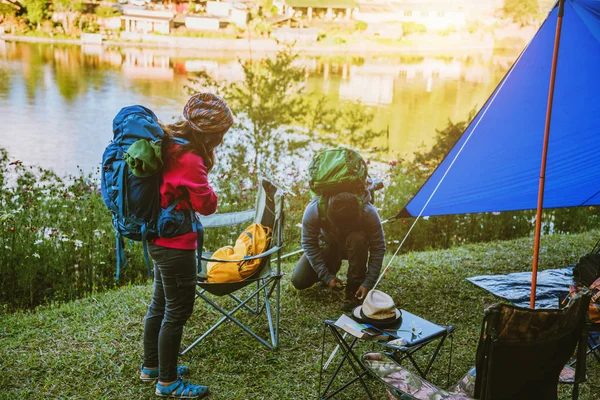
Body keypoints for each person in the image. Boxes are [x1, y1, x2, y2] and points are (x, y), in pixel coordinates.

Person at [139, 93, 233, 399]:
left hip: (156, 237)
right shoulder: (190, 159)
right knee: (177, 312)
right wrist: (209, 194)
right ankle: (167, 383)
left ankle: (151, 366)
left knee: (160, 305)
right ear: (211, 132)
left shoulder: (169, 143)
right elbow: (207, 204)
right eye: (221, 133)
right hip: (176, 245)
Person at [291, 190, 386, 312]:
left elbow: (378, 248)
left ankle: (354, 290)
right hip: (328, 245)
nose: (343, 230)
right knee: (299, 281)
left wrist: (368, 283)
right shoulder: (314, 210)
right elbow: (309, 244)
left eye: (347, 227)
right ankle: (331, 270)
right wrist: (326, 276)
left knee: (357, 239)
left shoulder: (368, 212)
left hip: (354, 247)